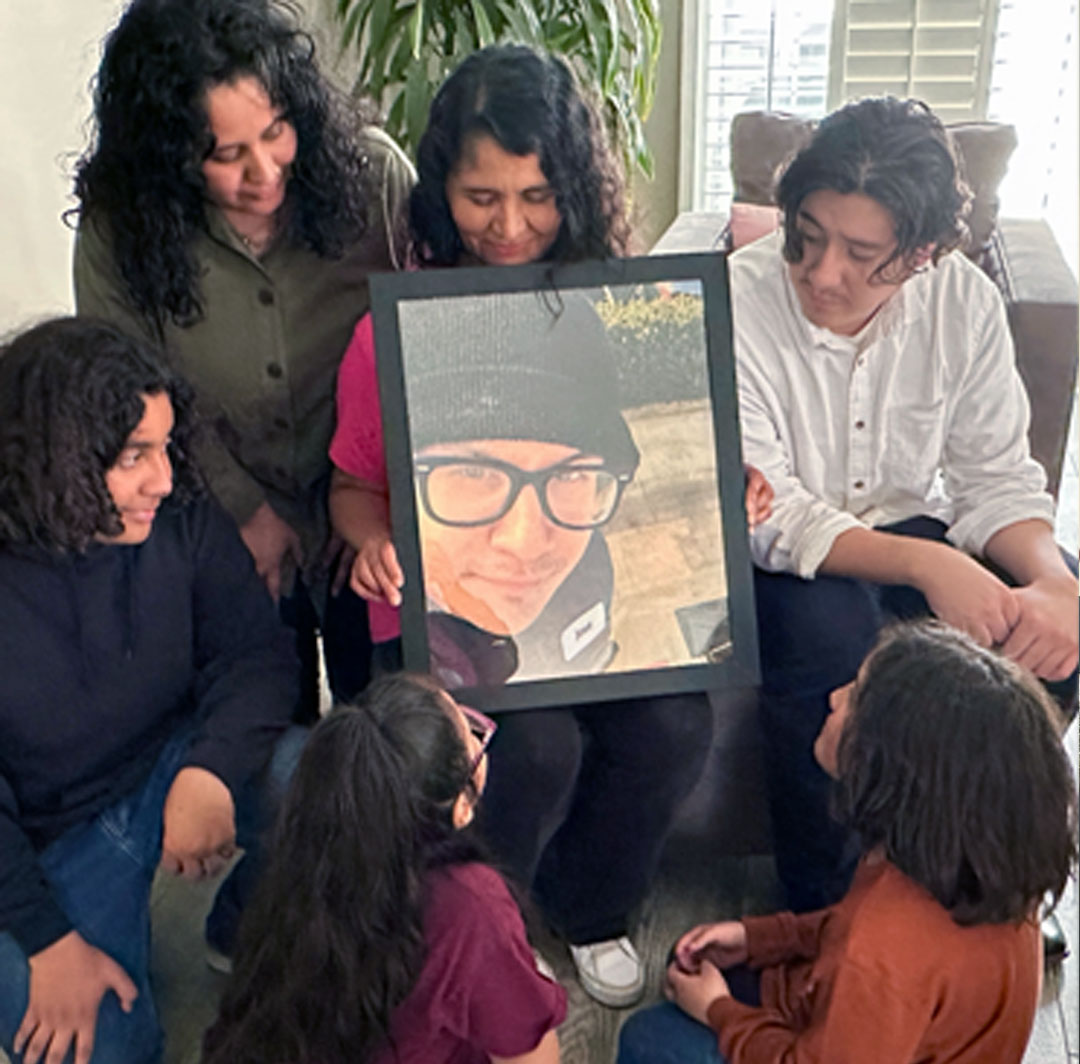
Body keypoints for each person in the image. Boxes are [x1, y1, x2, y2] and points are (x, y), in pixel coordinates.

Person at [328, 45, 774, 1008]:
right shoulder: (390, 332)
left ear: (575, 185)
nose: (510, 224)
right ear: (438, 188)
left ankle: (594, 905)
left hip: (581, 589)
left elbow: (665, 454)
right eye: (480, 195)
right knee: (533, 747)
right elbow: (353, 486)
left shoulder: (617, 309)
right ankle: (479, 920)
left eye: (537, 195)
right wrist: (368, 538)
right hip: (444, 615)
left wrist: (717, 472)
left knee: (670, 722)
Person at [729, 96, 1079, 912]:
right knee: (828, 641)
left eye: (860, 253)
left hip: (915, 518)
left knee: (1056, 633)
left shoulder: (965, 303)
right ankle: (824, 905)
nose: (822, 273)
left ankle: (979, 879)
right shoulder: (740, 299)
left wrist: (1053, 585)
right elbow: (770, 513)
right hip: (795, 548)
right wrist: (930, 566)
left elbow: (994, 476)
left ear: (921, 253)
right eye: (808, 238)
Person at [72, 0, 415, 715]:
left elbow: (444, 339)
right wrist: (245, 513)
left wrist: (380, 516)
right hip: (213, 518)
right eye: (227, 155)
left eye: (276, 132)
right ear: (171, 158)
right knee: (258, 737)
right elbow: (128, 398)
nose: (265, 172)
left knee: (385, 748)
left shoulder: (376, 180)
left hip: (373, 519)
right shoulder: (123, 229)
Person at [0, 318, 301, 1064]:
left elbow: (257, 658)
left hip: (172, 750)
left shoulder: (182, 513)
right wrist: (45, 940)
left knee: (320, 775)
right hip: (45, 837)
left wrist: (208, 772)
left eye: (166, 447)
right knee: (100, 1062)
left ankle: (243, 926)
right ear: (52, 457)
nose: (163, 480)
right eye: (135, 455)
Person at [613, 620, 1079, 1064]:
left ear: (895, 767)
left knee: (650, 1039)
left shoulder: (886, 947)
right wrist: (761, 937)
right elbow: (850, 931)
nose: (835, 698)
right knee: (694, 962)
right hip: (871, 1032)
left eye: (856, 696)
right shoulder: (972, 867)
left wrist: (719, 1011)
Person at [193, 673, 566, 1064]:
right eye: (474, 739)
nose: (480, 744)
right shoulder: (469, 905)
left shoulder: (303, 858)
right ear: (459, 808)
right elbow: (528, 1052)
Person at [400, 289, 642, 685]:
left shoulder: (588, 570)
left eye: (568, 475)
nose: (525, 541)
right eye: (474, 474)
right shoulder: (381, 636)